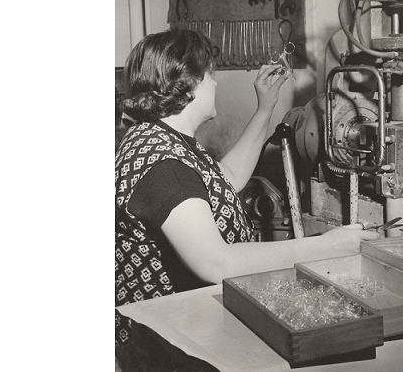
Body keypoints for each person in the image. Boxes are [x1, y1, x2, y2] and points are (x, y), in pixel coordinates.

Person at [114, 28, 379, 368]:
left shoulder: (160, 137)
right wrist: (329, 246)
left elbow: (228, 178)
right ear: (189, 84)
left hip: (180, 326)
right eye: (210, 74)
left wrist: (265, 107)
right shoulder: (164, 165)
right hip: (166, 343)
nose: (216, 83)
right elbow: (216, 263)